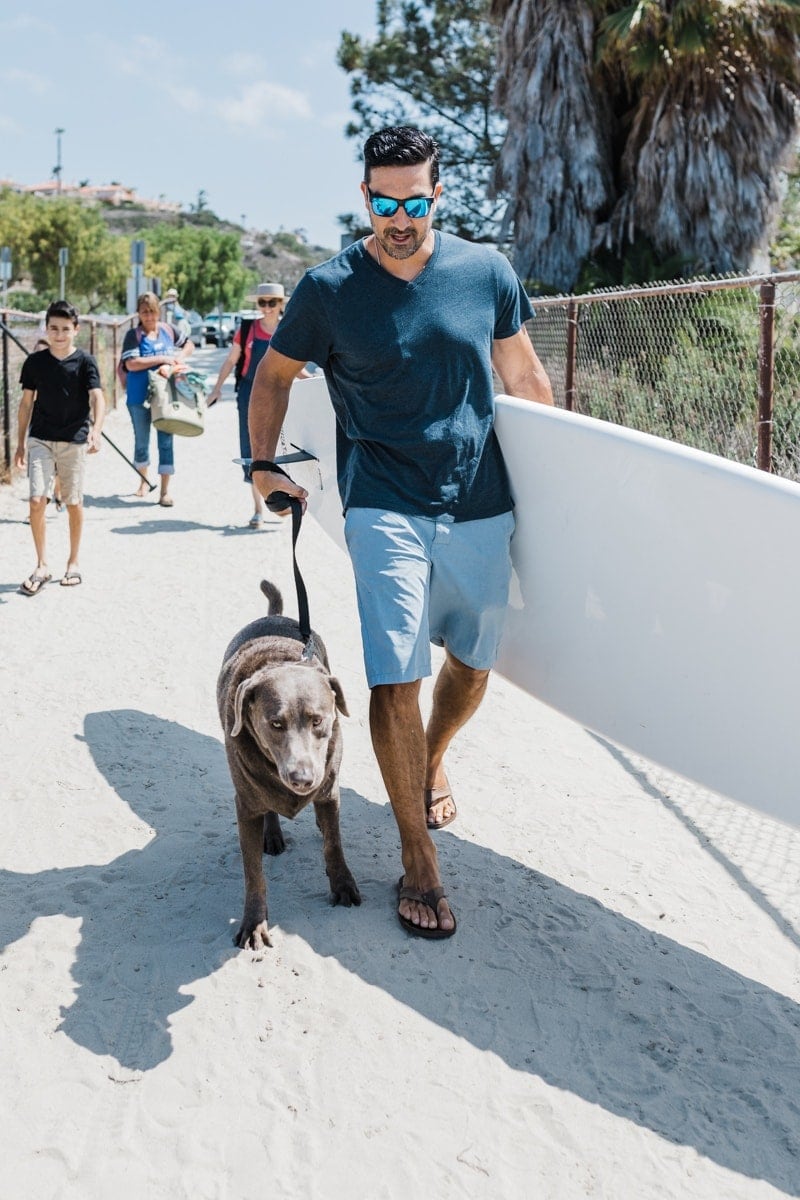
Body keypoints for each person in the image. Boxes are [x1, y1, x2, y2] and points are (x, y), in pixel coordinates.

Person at [247, 126, 554, 939]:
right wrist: (260, 462)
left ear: (436, 195)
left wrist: (566, 486)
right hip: (382, 499)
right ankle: (418, 857)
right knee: (395, 674)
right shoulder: (328, 288)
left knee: (474, 664)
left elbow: (522, 374)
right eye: (386, 203)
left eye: (415, 202)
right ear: (366, 199)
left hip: (479, 498)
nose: (401, 218)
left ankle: (434, 757)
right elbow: (273, 376)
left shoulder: (484, 272)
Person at [14, 299, 106, 593]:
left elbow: (98, 397)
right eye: (54, 328)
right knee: (36, 500)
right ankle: (42, 564)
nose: (59, 334)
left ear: (76, 330)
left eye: (65, 329)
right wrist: (19, 444)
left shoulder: (85, 362)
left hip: (74, 439)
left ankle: (73, 561)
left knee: (73, 502)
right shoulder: (35, 362)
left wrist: (97, 431)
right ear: (47, 328)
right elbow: (26, 403)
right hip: (40, 437)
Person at [208, 283, 310, 528]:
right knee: (252, 450)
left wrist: (322, 383)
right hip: (248, 395)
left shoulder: (288, 330)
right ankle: (258, 509)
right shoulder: (246, 330)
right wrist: (216, 388)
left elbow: (297, 369)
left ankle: (284, 500)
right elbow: (232, 360)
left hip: (282, 394)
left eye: (271, 303)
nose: (266, 308)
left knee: (283, 447)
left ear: (280, 304)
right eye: (262, 303)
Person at [120, 291, 193, 506]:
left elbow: (188, 344)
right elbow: (131, 363)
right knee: (142, 441)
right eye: (144, 312)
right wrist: (161, 358)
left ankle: (164, 491)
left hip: (165, 397)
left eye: (152, 312)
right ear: (138, 314)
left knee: (166, 441)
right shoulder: (134, 335)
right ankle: (143, 482)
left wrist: (179, 357)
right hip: (138, 395)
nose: (149, 317)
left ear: (158, 312)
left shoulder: (168, 331)